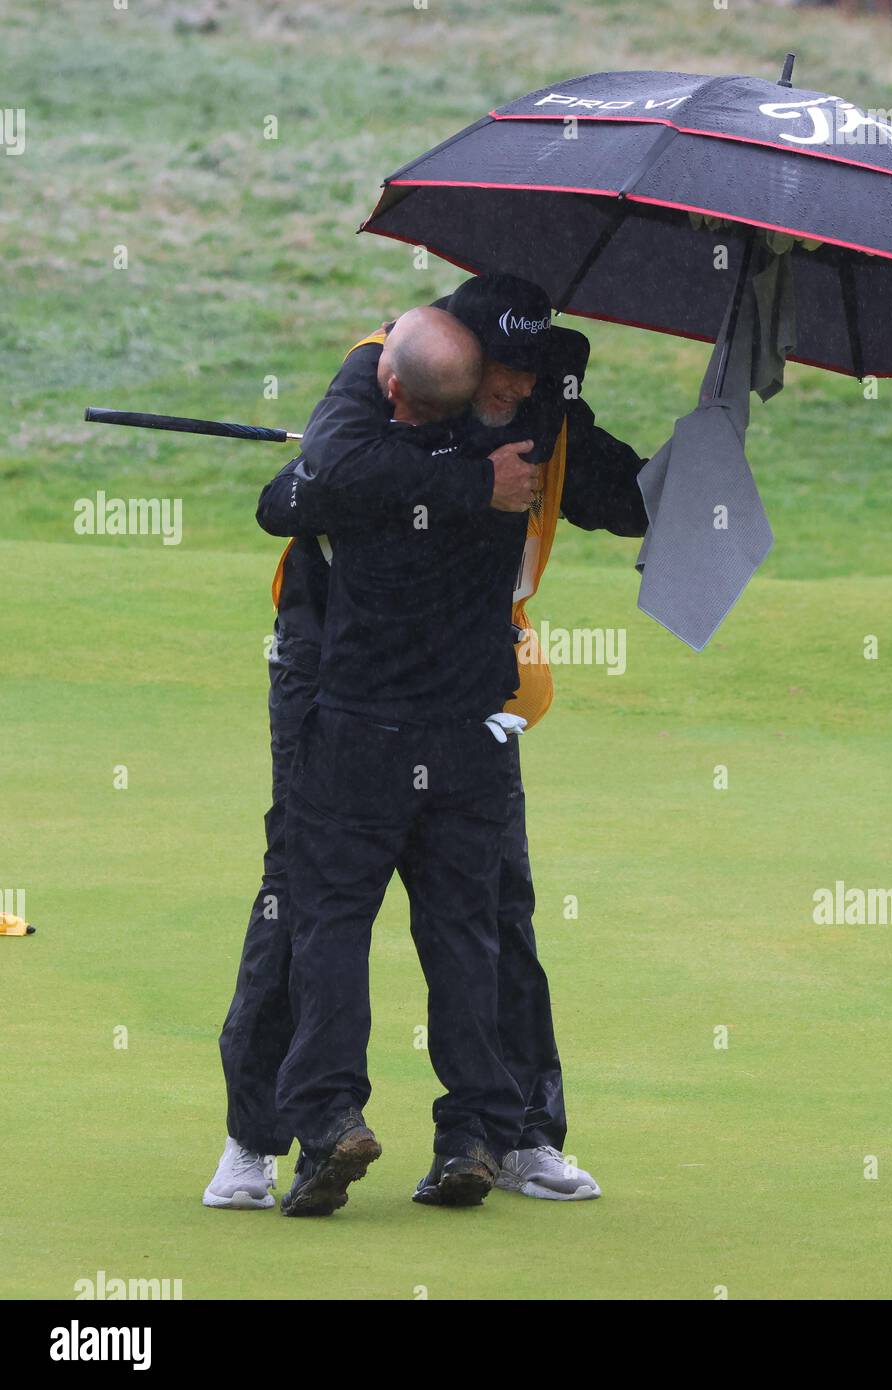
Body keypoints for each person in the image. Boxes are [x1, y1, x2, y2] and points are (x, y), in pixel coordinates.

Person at [206, 276, 648, 1211]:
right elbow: (304, 489)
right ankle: (257, 1138)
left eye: (531, 375)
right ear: (457, 352)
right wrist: (468, 481)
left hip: (465, 693)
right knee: (302, 899)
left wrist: (701, 471)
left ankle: (508, 1132)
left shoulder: (538, 390)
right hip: (332, 679)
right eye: (501, 372)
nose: (513, 390)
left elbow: (608, 488)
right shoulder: (385, 363)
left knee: (492, 906)